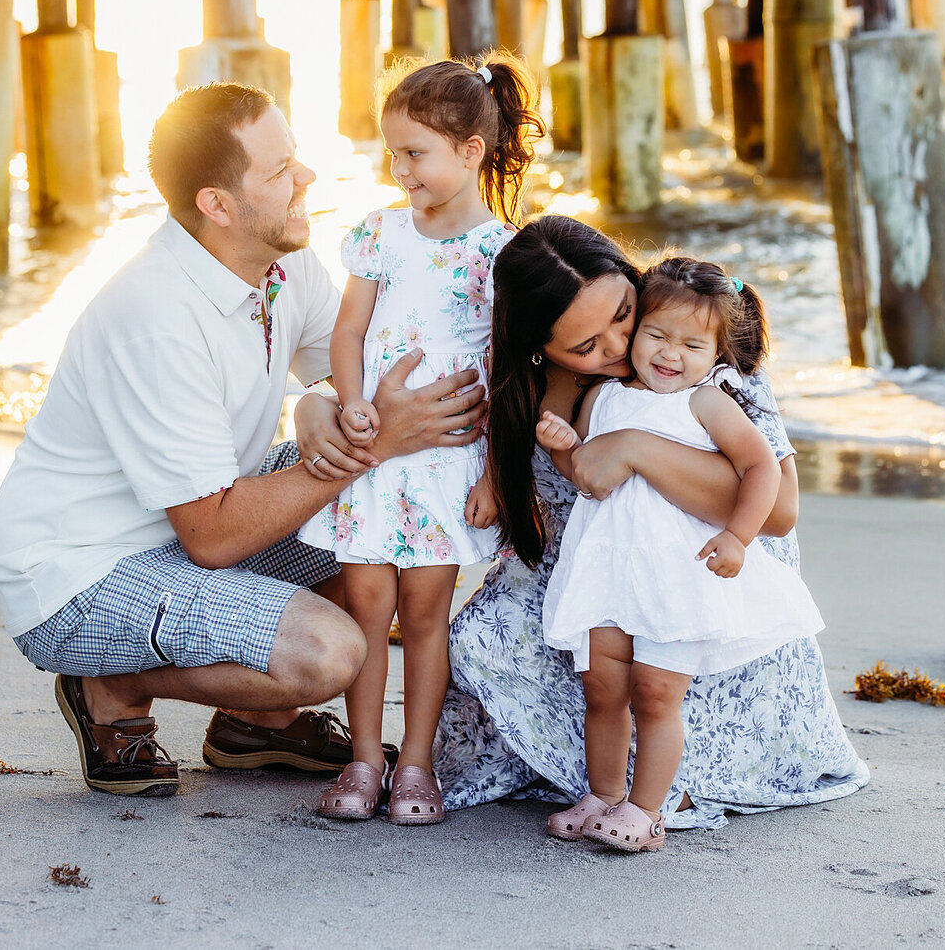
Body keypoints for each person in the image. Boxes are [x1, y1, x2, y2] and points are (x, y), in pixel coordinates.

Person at [0, 83, 485, 797]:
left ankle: (254, 722)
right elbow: (213, 536)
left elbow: (345, 376)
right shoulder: (155, 314)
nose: (305, 177)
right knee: (328, 651)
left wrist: (318, 404)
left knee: (376, 523)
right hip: (84, 574)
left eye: (296, 158)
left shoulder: (280, 259)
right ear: (217, 205)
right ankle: (109, 684)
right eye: (279, 170)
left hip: (189, 523)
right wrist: (372, 445)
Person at [432, 214, 869, 829]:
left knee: (664, 675)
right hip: (592, 565)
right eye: (584, 347)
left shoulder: (698, 346)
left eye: (622, 315)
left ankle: (662, 787)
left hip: (702, 560)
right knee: (483, 640)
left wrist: (636, 446)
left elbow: (780, 511)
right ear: (540, 346)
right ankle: (597, 784)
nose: (615, 347)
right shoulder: (524, 381)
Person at [299, 55, 545, 825]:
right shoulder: (377, 234)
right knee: (366, 603)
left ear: (470, 150)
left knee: (427, 613)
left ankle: (417, 762)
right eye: (392, 152)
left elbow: (508, 374)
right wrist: (351, 401)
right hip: (378, 452)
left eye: (415, 153)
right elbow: (348, 330)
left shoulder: (498, 251)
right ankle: (364, 757)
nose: (400, 169)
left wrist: (497, 476)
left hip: (445, 460)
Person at [534, 256, 826, 851]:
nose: (670, 354)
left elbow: (760, 467)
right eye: (657, 335)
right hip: (607, 568)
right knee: (602, 690)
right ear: (637, 328)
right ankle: (602, 793)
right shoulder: (607, 397)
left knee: (658, 694)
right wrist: (564, 447)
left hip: (674, 572)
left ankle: (646, 810)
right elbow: (590, 476)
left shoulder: (707, 401)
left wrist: (739, 537)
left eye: (692, 345)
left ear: (718, 353)